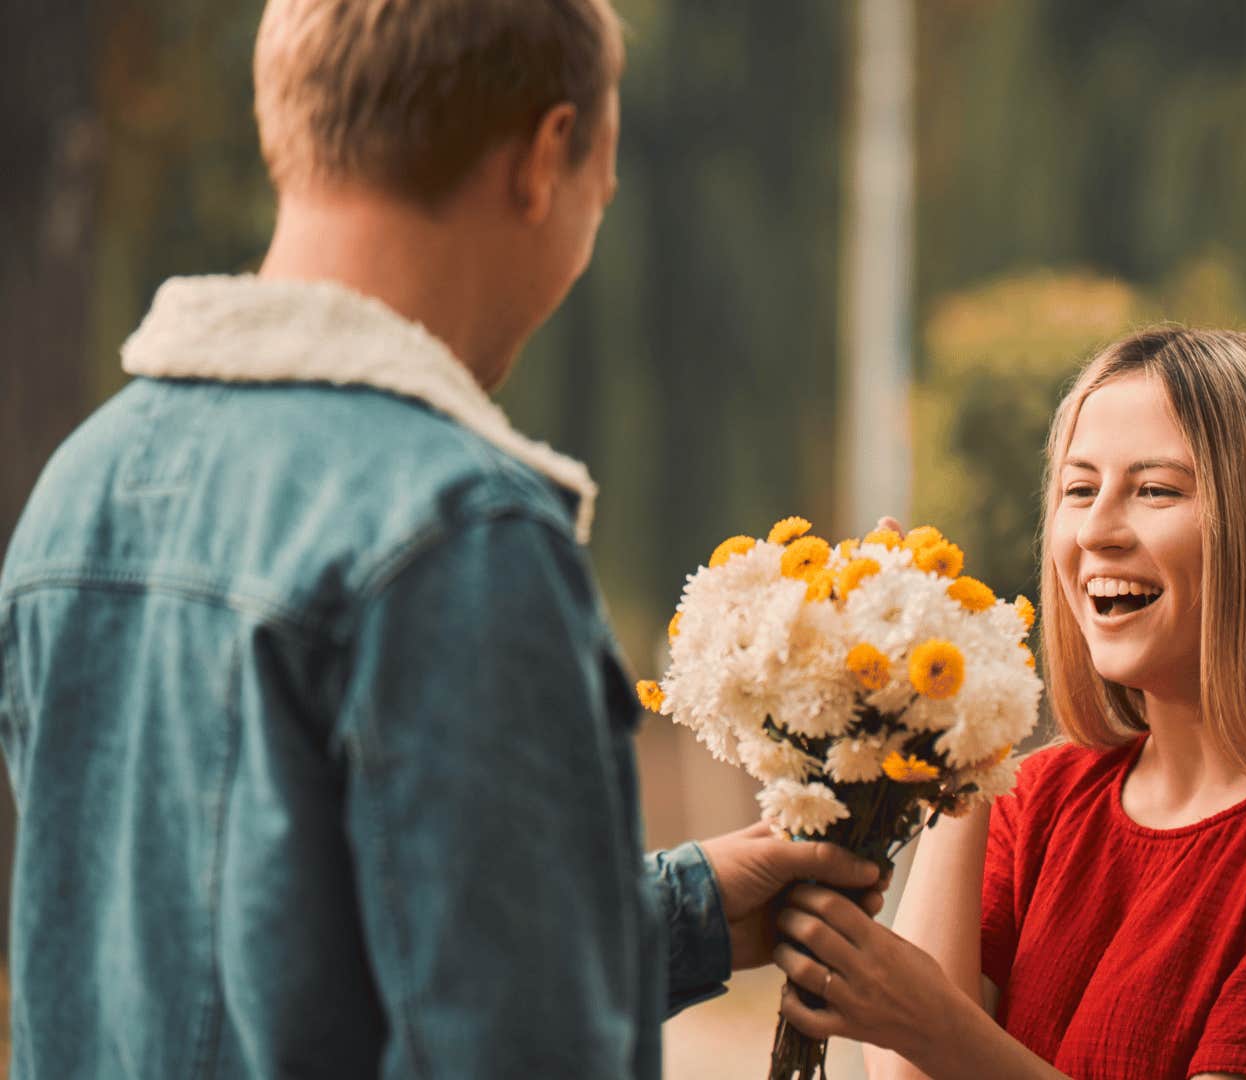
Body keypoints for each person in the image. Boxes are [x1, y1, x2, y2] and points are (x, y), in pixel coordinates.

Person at [0, 1, 880, 1075]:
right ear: (548, 156)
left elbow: (263, 965)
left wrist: (681, 914)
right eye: (600, 184)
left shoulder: (82, 492)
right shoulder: (459, 536)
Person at [768, 328, 1246, 1079]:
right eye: (1078, 489)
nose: (1096, 530)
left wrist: (938, 1027)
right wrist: (956, 733)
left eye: (1155, 490)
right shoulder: (1035, 798)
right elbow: (912, 1074)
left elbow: (935, 1040)